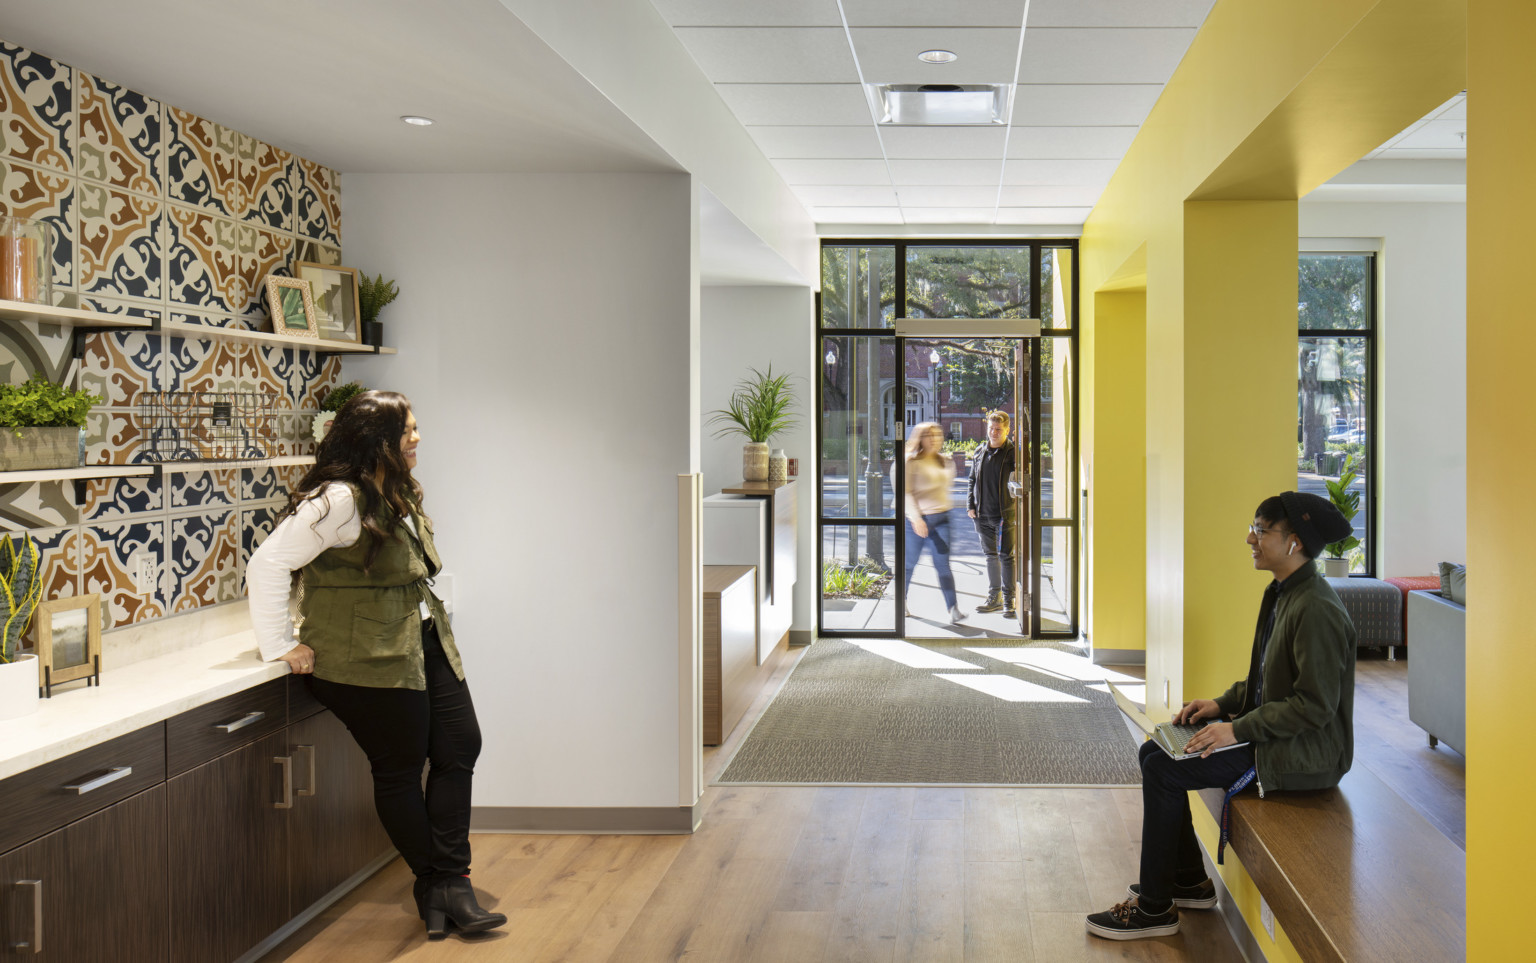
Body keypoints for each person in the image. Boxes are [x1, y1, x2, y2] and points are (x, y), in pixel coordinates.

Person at [246, 390, 505, 941]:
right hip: (365, 655)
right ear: (377, 440)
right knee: (400, 769)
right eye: (407, 429)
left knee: (461, 745)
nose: (417, 438)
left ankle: (448, 883)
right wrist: (279, 644)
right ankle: (441, 886)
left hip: (417, 636)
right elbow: (267, 563)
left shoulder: (390, 489)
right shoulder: (339, 498)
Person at [1086, 491, 1357, 941]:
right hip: (1276, 736)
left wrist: (1235, 729)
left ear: (1293, 542)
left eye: (1260, 529)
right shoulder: (1284, 592)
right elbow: (1266, 681)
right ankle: (1189, 881)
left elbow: (1314, 707)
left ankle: (1155, 908)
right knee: (1156, 751)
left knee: (1165, 771)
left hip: (1306, 754)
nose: (1249, 538)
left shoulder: (1317, 610)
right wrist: (1221, 704)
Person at [902, 421, 966, 623]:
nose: (934, 439)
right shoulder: (912, 462)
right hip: (918, 521)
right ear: (920, 438)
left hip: (942, 519)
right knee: (909, 564)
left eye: (937, 435)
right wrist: (917, 518)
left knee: (943, 566)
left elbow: (944, 492)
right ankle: (900, 602)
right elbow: (907, 494)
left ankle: (953, 608)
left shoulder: (946, 462)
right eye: (929, 435)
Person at [967, 410, 1017, 618]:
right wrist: (971, 505)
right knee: (990, 556)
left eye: (998, 429)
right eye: (991, 429)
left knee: (1006, 557)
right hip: (982, 514)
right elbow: (971, 480)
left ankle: (1009, 600)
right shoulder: (980, 451)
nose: (994, 433)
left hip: (1005, 514)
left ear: (1007, 430)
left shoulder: (1013, 453)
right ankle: (993, 597)